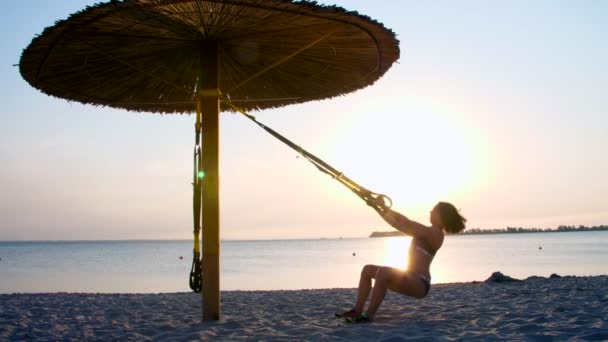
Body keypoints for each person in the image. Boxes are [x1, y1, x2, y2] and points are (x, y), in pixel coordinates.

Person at [337, 201, 466, 323]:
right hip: (408, 277)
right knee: (367, 270)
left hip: (420, 283)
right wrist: (385, 208)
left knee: (383, 272)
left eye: (434, 210)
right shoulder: (427, 230)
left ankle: (368, 315)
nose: (430, 211)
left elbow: (401, 225)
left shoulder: (435, 234)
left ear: (441, 216)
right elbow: (405, 221)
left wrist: (377, 208)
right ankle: (357, 311)